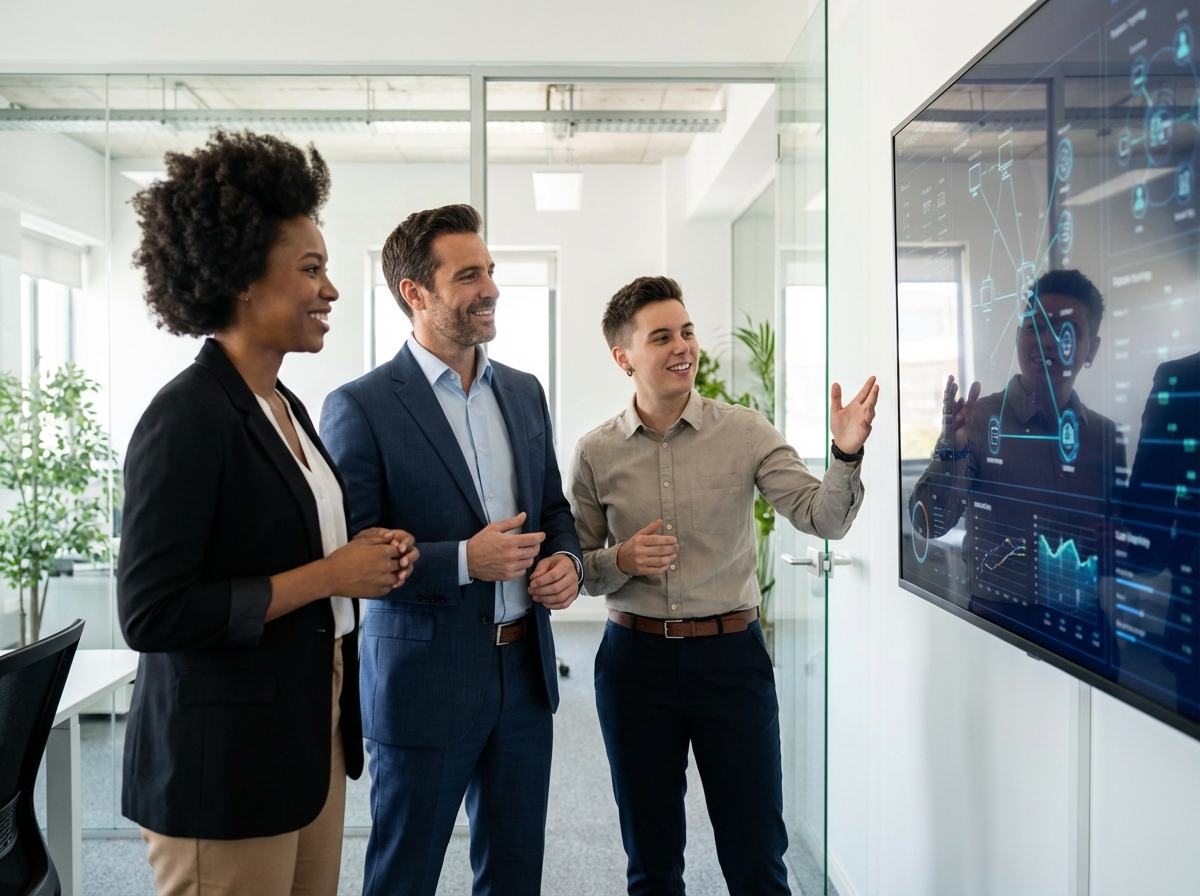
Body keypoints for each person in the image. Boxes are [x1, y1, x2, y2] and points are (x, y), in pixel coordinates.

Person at [118, 130, 417, 896]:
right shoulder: (186, 416)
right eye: (311, 269)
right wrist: (329, 574)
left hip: (303, 733)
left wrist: (366, 555)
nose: (332, 290)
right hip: (222, 763)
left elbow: (279, 543)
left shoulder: (284, 404)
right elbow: (153, 614)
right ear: (244, 280)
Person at [567, 276, 878, 896]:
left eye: (686, 332)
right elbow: (575, 568)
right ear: (623, 357)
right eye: (662, 337)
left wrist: (845, 454)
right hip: (635, 666)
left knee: (756, 857)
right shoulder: (595, 452)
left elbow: (823, 518)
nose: (683, 347)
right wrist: (623, 558)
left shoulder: (744, 431)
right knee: (651, 864)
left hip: (730, 662)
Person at [320, 204, 583, 896]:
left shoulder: (523, 393)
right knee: (403, 878)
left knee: (514, 876)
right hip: (422, 687)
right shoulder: (362, 406)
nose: (491, 288)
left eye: (491, 271)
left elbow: (553, 510)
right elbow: (353, 555)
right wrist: (465, 560)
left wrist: (567, 563)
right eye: (469, 275)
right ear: (416, 293)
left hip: (524, 680)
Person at [909, 269, 1124, 640]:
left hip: (1087, 632)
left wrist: (1118, 541)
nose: (1046, 342)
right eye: (1034, 327)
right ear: (1017, 336)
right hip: (999, 629)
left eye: (1065, 331)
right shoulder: (978, 420)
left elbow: (1128, 550)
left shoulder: (1104, 436)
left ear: (1092, 349)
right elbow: (928, 524)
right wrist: (953, 447)